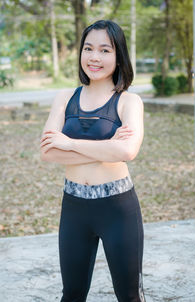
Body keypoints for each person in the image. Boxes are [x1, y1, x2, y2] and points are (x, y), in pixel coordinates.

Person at [40, 19, 146, 302]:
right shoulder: (65, 97)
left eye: (105, 50)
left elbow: (127, 152)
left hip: (118, 208)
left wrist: (70, 143)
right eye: (88, 48)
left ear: (118, 55)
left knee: (129, 295)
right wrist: (107, 145)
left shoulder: (128, 102)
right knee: (72, 294)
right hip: (74, 208)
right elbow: (48, 152)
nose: (94, 57)